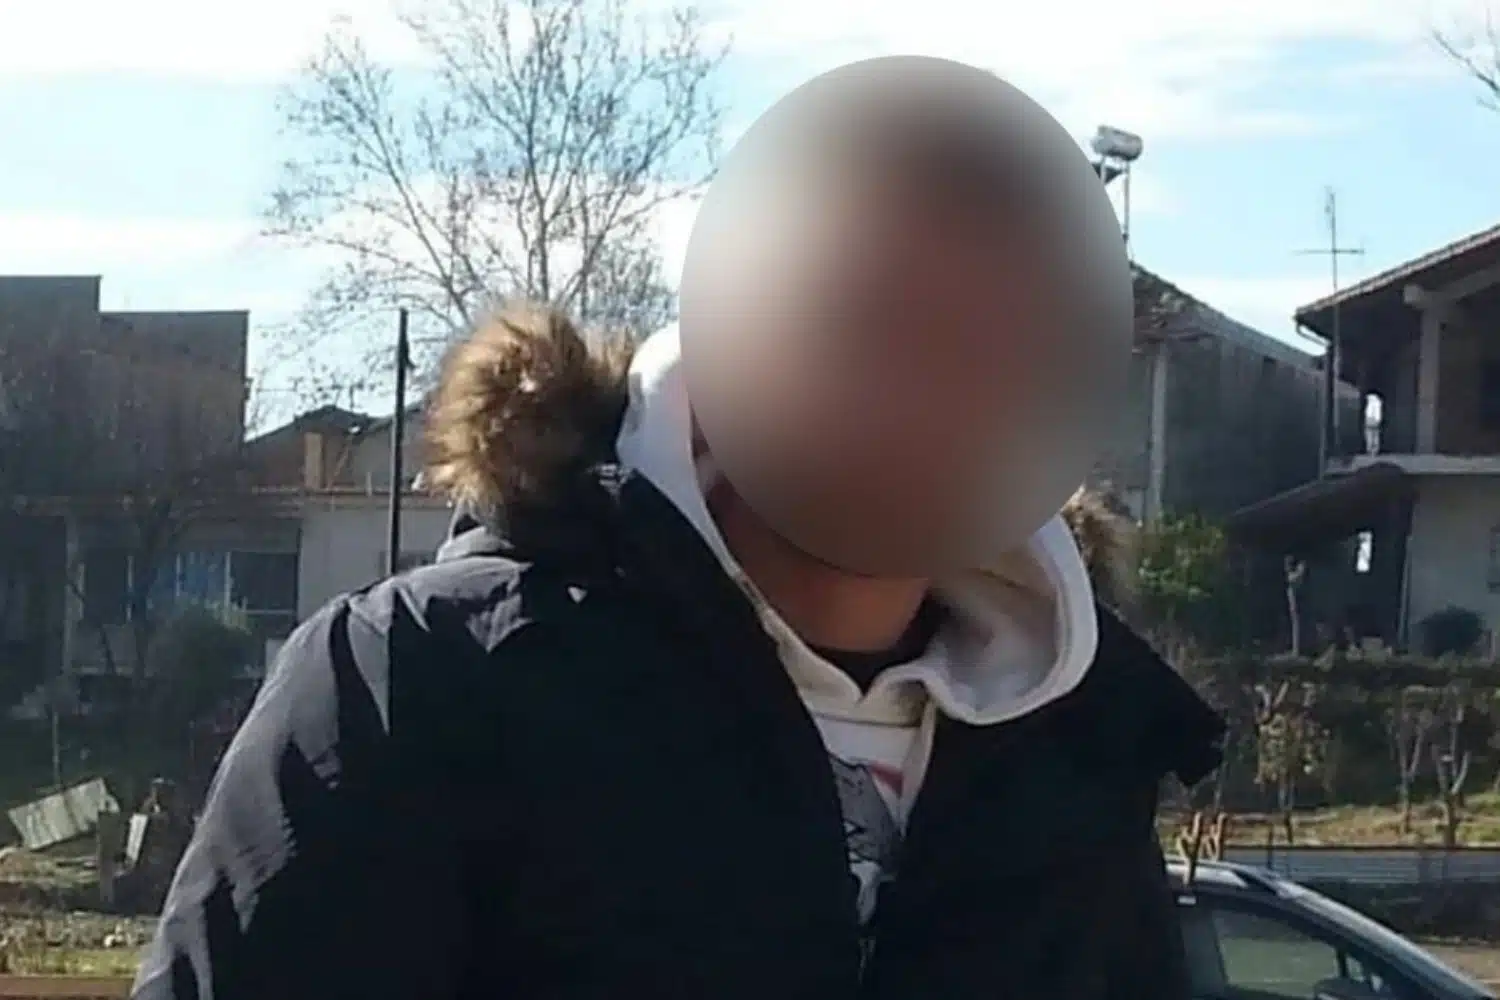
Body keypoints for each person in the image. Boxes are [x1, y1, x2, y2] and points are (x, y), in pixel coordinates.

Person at [134, 58, 1224, 1000]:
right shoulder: (418, 683)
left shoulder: (1081, 754)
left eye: (981, 353)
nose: (921, 400)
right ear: (756, 311)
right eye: (874, 321)